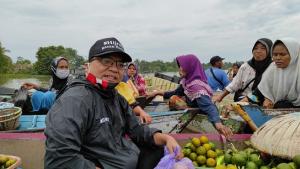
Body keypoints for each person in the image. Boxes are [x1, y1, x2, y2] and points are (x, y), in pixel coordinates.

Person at [44, 37, 182, 169]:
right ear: (88, 65)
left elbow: (137, 129)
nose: (114, 69)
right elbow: (61, 159)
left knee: (157, 148)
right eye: (106, 61)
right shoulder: (75, 100)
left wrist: (166, 138)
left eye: (120, 64)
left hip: (124, 158)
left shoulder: (115, 96)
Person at [148, 54, 232, 137]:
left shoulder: (196, 86)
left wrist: (218, 124)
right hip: (192, 111)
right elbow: (175, 92)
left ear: (190, 67)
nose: (179, 69)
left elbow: (209, 106)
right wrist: (156, 93)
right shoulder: (186, 81)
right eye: (180, 66)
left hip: (202, 115)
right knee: (173, 98)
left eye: (182, 66)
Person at [83, 63, 152, 124]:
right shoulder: (83, 93)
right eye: (107, 63)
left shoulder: (122, 86)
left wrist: (141, 112)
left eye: (120, 65)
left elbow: (132, 104)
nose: (114, 70)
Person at [246, 38, 300, 108]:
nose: (278, 58)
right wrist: (240, 103)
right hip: (279, 113)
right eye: (275, 54)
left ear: (294, 54)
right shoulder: (273, 69)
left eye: (282, 54)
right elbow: (258, 93)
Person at [213, 38, 273, 102]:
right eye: (255, 48)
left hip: (265, 101)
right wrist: (220, 97)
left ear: (269, 51)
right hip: (244, 99)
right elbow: (235, 84)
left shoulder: (273, 67)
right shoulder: (246, 66)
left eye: (263, 48)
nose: (258, 51)